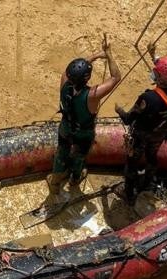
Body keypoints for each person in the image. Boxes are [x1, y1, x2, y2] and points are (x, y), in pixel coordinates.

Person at [47, 41, 122, 195]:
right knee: (79, 156)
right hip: (83, 133)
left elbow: (74, 70)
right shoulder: (92, 96)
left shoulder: (64, 82)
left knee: (62, 152)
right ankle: (75, 179)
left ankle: (55, 182)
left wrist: (93, 56)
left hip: (66, 127)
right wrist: (108, 54)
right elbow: (116, 77)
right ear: (86, 78)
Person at [115, 43, 167, 205]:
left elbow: (128, 119)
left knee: (132, 163)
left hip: (141, 136)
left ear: (160, 78)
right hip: (159, 134)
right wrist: (154, 56)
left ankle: (129, 194)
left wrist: (119, 110)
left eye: (156, 72)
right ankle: (147, 183)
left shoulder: (148, 98)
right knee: (152, 157)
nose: (154, 72)